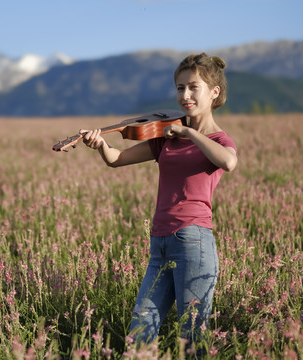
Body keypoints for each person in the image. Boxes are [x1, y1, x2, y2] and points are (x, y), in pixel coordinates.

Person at [79, 53, 238, 347]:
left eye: (193, 87)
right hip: (160, 242)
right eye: (180, 88)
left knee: (192, 339)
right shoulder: (166, 137)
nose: (185, 95)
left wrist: (189, 131)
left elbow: (228, 162)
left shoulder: (218, 140)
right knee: (138, 335)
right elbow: (117, 159)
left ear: (214, 92)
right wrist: (101, 144)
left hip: (194, 242)